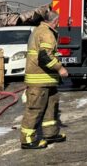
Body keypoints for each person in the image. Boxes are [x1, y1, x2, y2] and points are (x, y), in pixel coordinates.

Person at [20, 15, 68, 149]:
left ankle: (50, 134)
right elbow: (45, 56)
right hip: (39, 79)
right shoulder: (46, 33)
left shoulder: (39, 30)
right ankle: (27, 140)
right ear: (56, 21)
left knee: (51, 106)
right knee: (35, 109)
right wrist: (60, 68)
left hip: (47, 79)